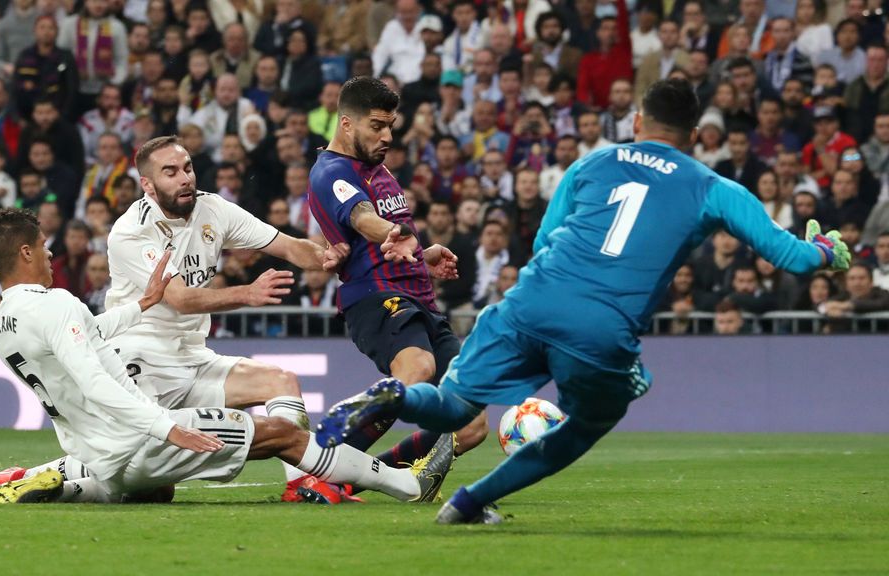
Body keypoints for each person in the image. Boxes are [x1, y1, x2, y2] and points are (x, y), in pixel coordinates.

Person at [315, 79, 852, 524]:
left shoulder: (591, 164)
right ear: (692, 136)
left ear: (637, 123)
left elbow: (547, 239)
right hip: (600, 328)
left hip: (528, 301)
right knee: (585, 423)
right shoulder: (715, 187)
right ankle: (467, 503)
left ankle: (389, 399)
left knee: (457, 408)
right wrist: (826, 249)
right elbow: (795, 260)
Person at [0, 207, 450, 505]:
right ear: (25, 253)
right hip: (138, 439)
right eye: (44, 248)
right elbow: (95, 382)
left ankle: (45, 482)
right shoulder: (57, 302)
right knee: (281, 433)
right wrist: (166, 426)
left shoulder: (3, 323)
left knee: (156, 491)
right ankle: (406, 484)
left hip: (96, 453)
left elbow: (88, 334)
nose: (51, 256)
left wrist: (142, 304)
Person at [308, 76, 489, 488]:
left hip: (420, 298)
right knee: (418, 368)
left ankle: (353, 477)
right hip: (375, 298)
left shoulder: (378, 167)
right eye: (377, 125)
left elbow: (391, 240)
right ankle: (317, 467)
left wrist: (422, 256)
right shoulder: (331, 172)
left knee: (472, 422)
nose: (387, 135)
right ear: (347, 124)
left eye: (391, 125)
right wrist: (387, 231)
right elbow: (363, 219)